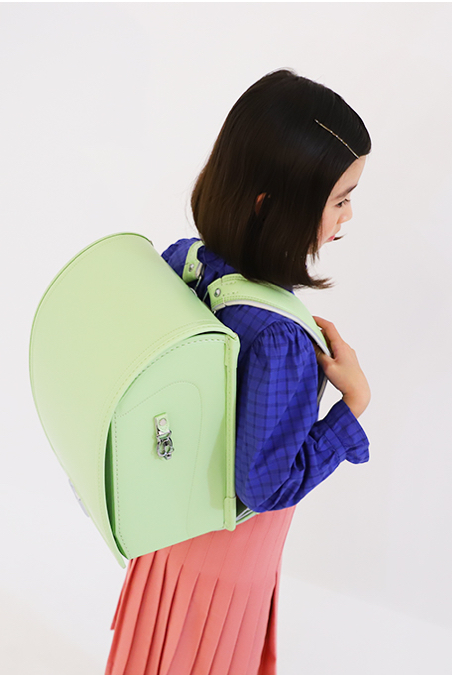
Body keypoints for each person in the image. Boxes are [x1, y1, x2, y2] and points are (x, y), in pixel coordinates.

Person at [105, 68, 372, 675]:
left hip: (164, 527)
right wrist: (351, 407)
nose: (349, 215)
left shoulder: (185, 261)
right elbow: (265, 488)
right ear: (269, 206)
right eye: (339, 199)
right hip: (222, 563)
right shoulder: (282, 340)